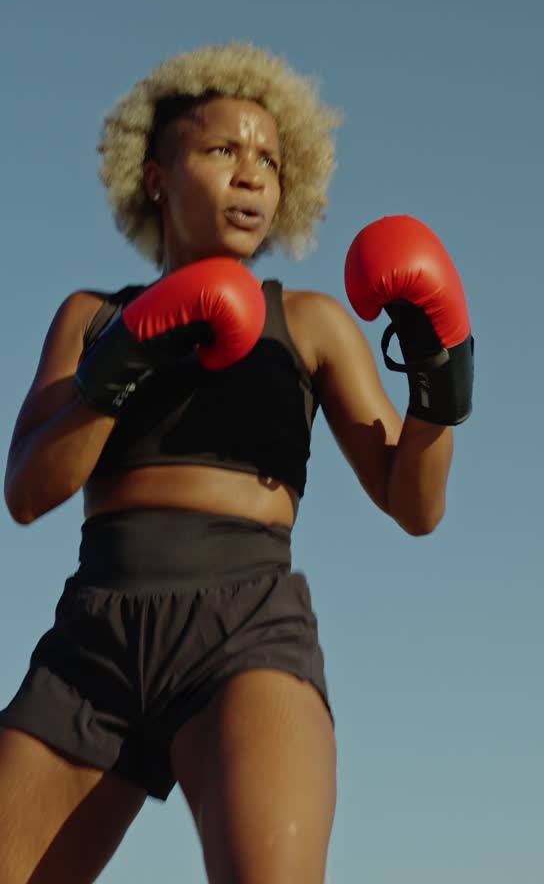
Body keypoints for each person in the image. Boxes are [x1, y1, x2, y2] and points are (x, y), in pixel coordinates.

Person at [0, 43, 473, 884]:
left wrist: (442, 379)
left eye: (269, 160)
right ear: (155, 177)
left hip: (245, 631)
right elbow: (28, 493)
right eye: (223, 150)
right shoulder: (90, 317)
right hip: (94, 638)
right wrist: (119, 369)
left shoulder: (317, 324)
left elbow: (415, 505)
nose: (252, 174)